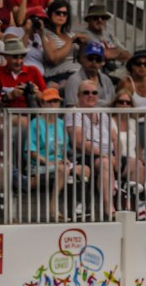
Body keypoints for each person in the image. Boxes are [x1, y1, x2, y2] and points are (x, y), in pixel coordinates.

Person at [67, 79, 117, 220]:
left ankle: (138, 208)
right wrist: (105, 155)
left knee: (136, 165)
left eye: (94, 92)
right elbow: (79, 143)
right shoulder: (74, 113)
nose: (91, 95)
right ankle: (109, 209)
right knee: (105, 163)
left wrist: (118, 157)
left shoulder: (103, 114)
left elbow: (115, 139)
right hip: (86, 156)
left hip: (108, 154)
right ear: (78, 96)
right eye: (86, 93)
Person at [27, 87, 79, 221]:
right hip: (40, 165)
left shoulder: (61, 123)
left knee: (84, 170)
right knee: (62, 169)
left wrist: (66, 158)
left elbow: (64, 148)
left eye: (56, 101)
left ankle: (79, 209)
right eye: (49, 102)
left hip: (59, 163)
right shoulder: (35, 123)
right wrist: (48, 162)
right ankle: (53, 208)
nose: (53, 105)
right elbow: (31, 151)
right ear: (42, 104)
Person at [81, 1, 130, 78]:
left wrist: (114, 52)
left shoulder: (109, 34)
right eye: (96, 17)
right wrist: (117, 52)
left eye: (103, 18)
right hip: (98, 74)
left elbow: (128, 55)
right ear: (89, 20)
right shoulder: (85, 35)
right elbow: (104, 55)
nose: (100, 20)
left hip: (116, 71)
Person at [40, 0, 80, 89]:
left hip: (79, 72)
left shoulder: (71, 34)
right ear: (50, 14)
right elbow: (53, 59)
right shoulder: (46, 33)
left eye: (65, 13)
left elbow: (80, 58)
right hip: (59, 75)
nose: (61, 15)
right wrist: (70, 41)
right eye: (58, 13)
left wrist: (84, 44)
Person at [64, 41, 114, 107]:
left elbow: (113, 106)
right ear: (84, 59)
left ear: (102, 62)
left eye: (98, 59)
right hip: (81, 116)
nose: (94, 62)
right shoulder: (74, 80)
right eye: (90, 58)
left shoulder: (107, 80)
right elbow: (72, 108)